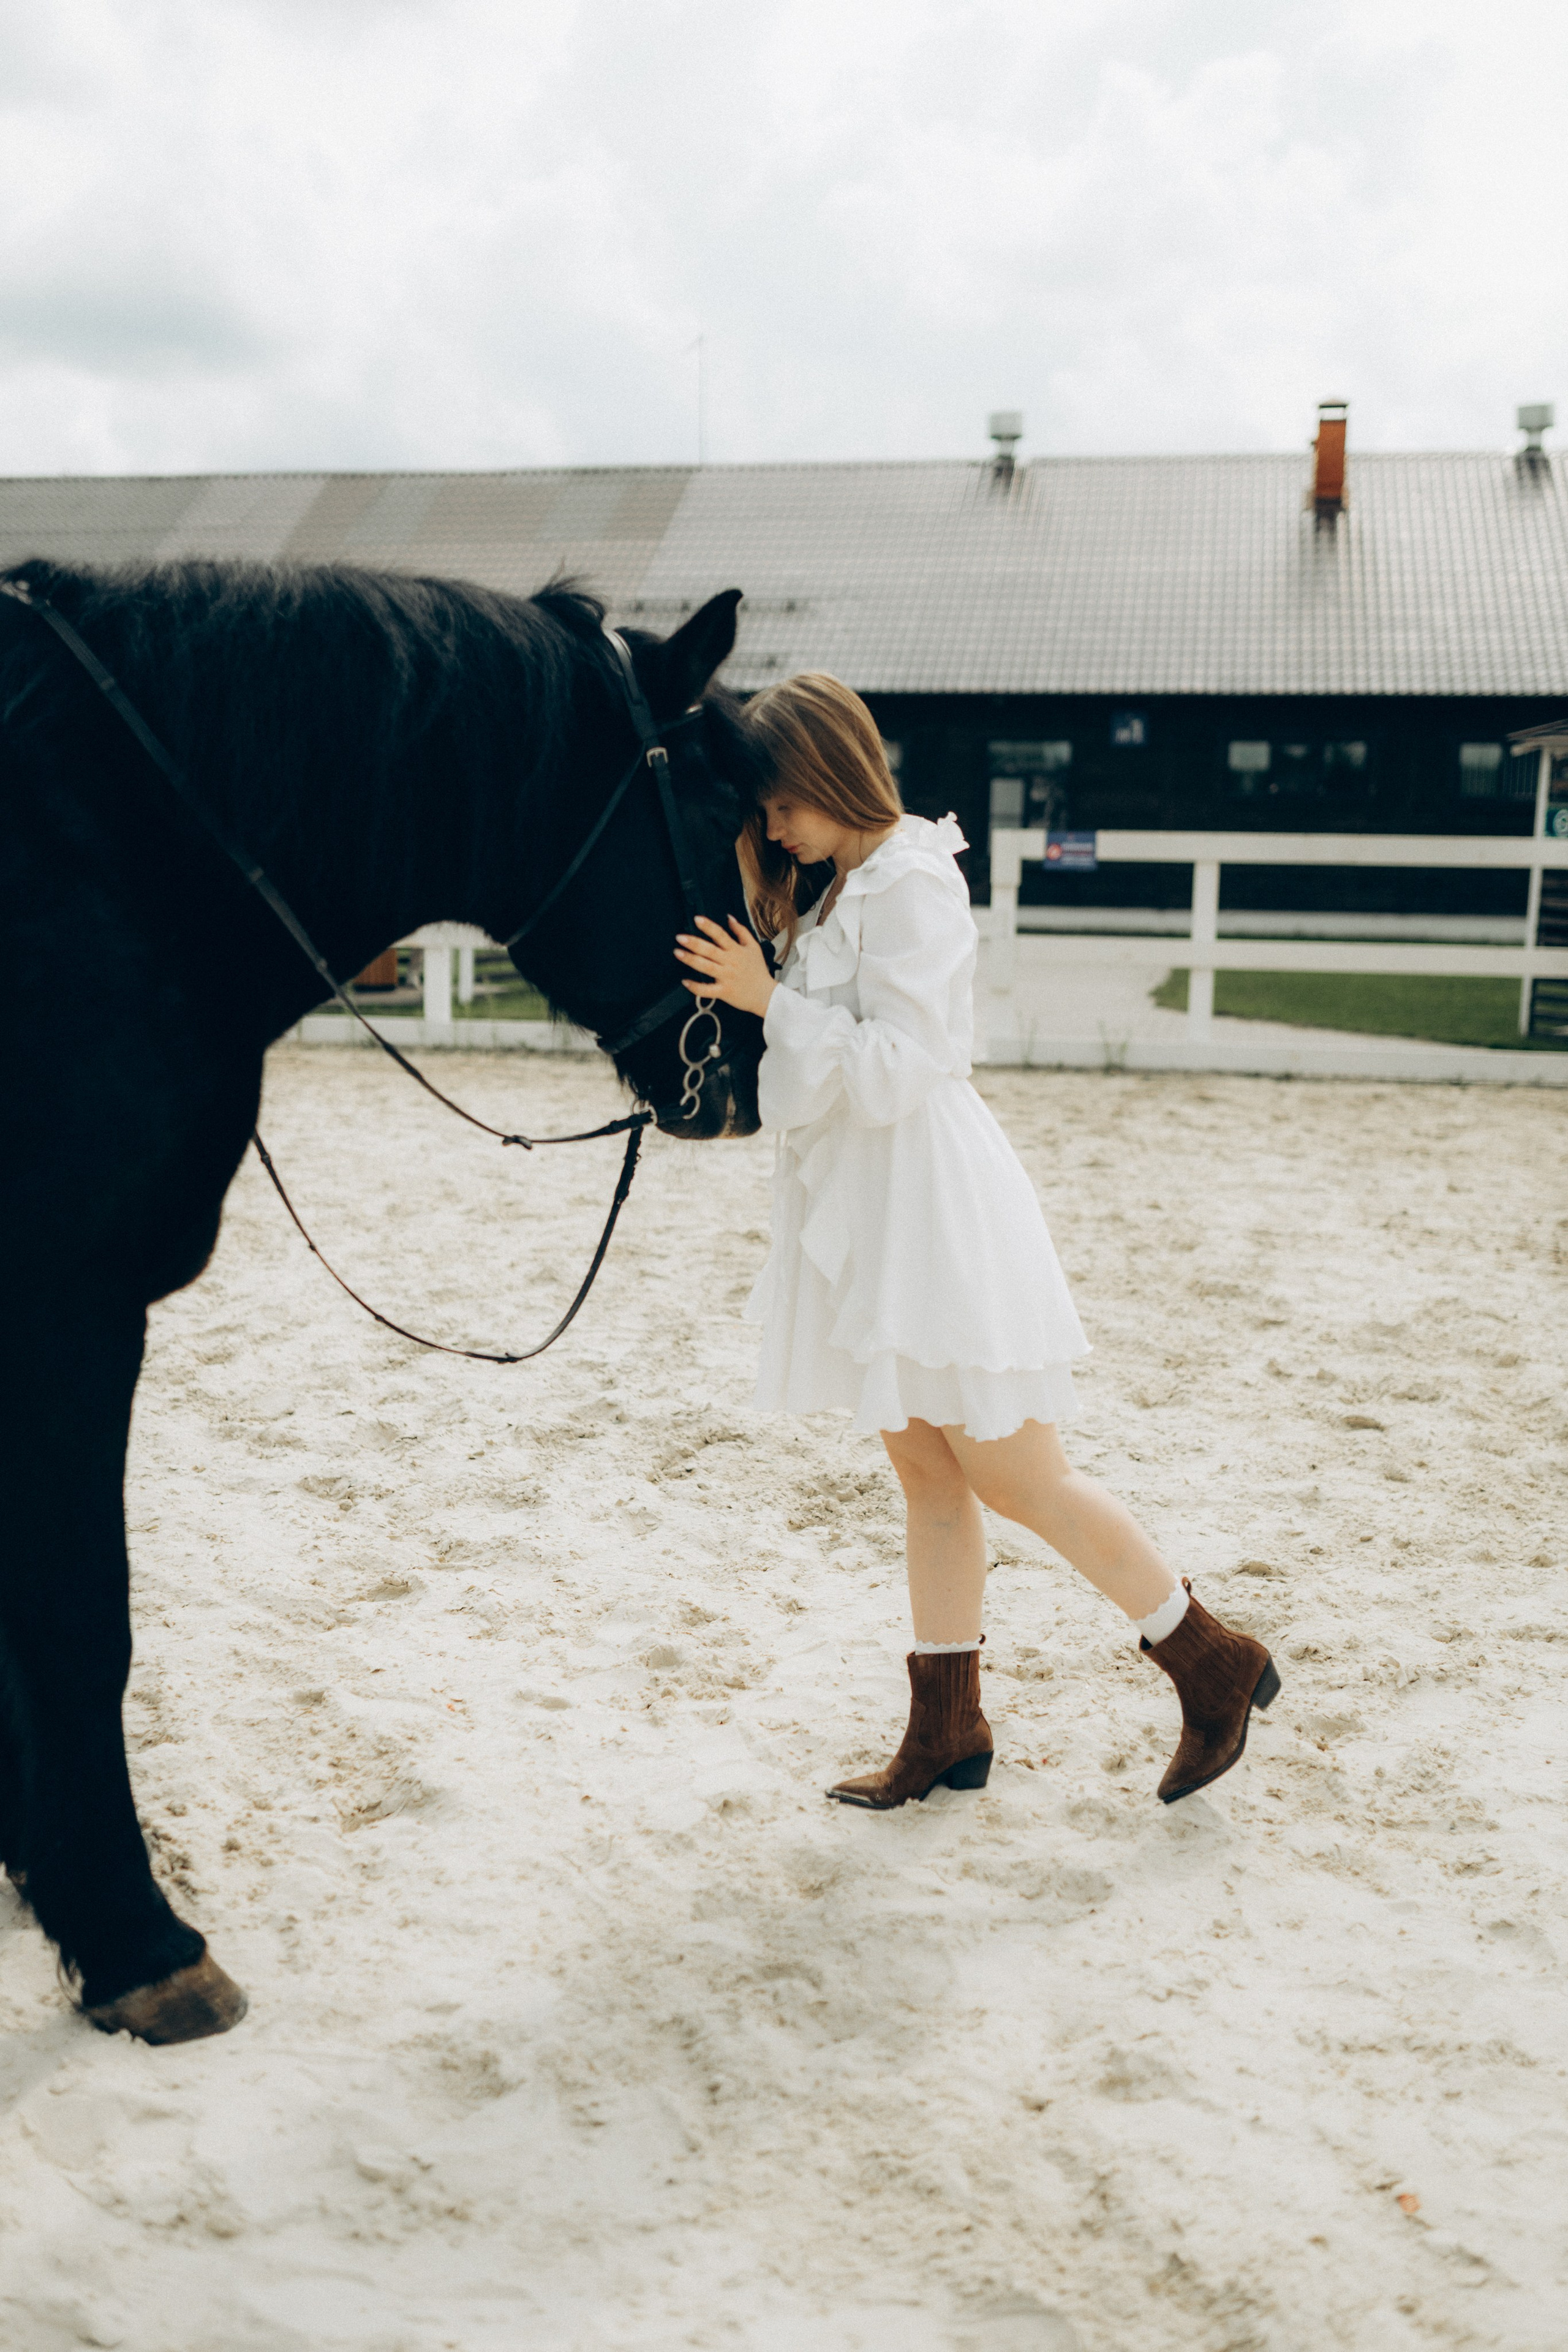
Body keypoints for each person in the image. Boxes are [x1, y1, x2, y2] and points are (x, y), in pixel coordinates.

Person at [674, 673, 1279, 1811]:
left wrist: (773, 1004)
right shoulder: (833, 888)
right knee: (927, 1472)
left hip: (932, 1206)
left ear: (826, 768)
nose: (769, 824)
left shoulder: (911, 879)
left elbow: (908, 1063)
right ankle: (948, 1726)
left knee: (1016, 1471)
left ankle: (1208, 1660)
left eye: (777, 801)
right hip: (873, 1200)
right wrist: (765, 967)